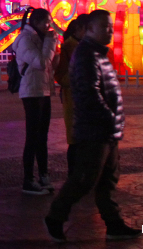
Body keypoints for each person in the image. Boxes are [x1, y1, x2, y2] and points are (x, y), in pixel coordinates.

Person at [44, 10, 140, 242]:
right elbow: (89, 93)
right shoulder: (86, 54)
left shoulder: (97, 53)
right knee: (85, 179)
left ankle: (113, 223)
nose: (110, 31)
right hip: (94, 128)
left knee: (108, 179)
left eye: (111, 27)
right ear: (90, 29)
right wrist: (109, 117)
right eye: (105, 27)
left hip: (105, 128)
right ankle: (56, 216)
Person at [13, 8, 58, 194]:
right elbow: (41, 62)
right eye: (47, 22)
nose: (49, 26)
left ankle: (43, 175)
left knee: (42, 136)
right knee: (32, 136)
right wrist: (50, 42)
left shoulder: (39, 38)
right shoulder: (26, 39)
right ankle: (28, 179)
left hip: (43, 90)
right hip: (31, 92)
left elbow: (48, 64)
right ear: (37, 22)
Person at [54, 16, 84, 174]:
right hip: (74, 99)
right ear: (79, 29)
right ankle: (74, 175)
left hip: (88, 101)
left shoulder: (90, 47)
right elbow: (60, 76)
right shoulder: (67, 47)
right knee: (75, 140)